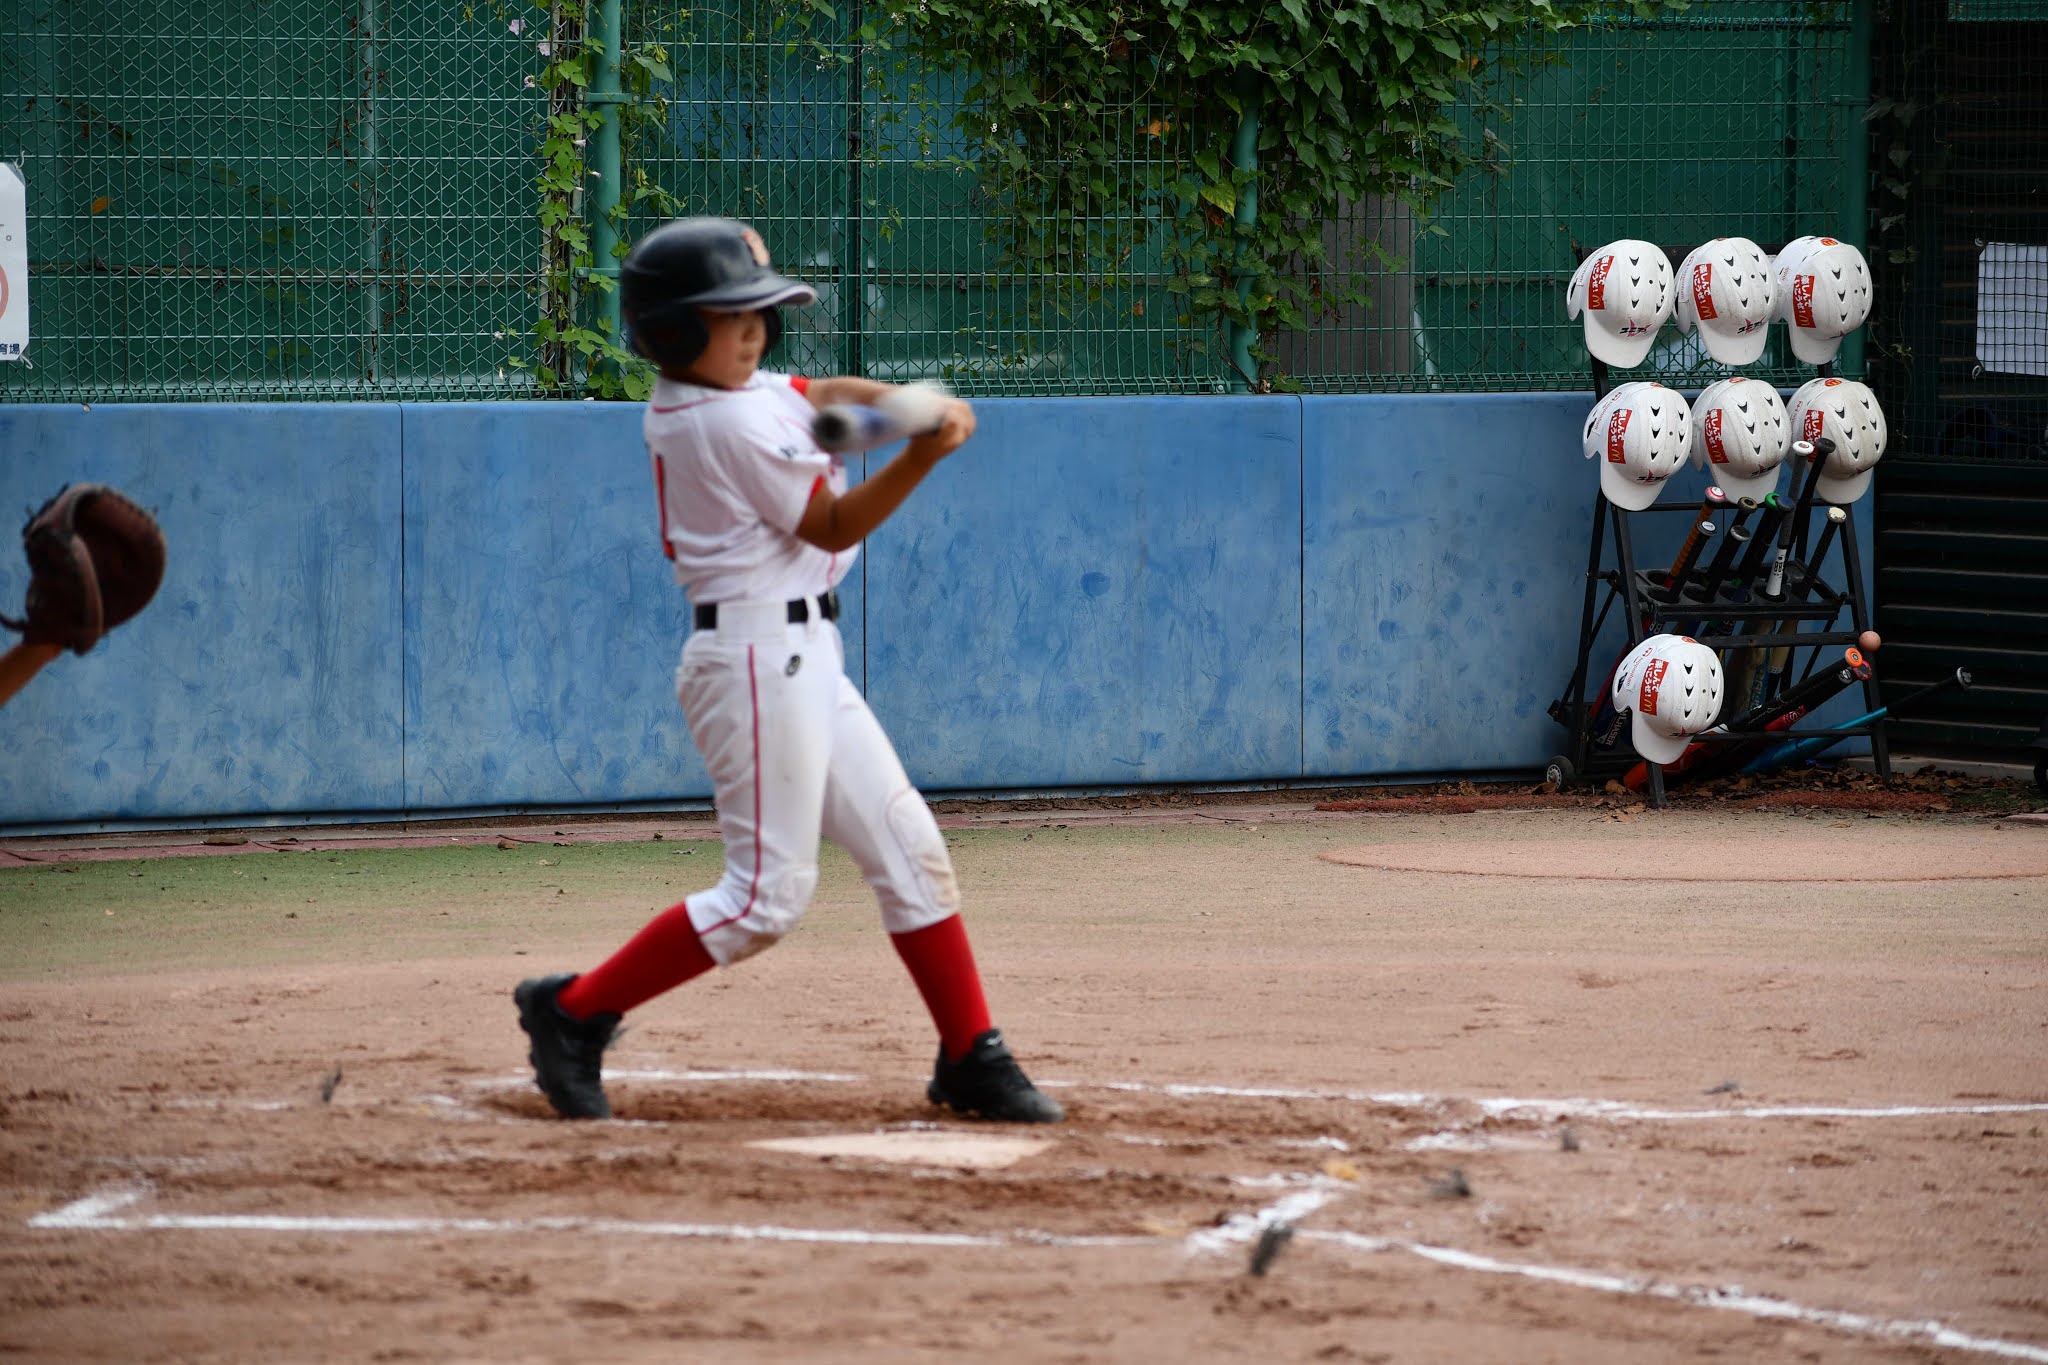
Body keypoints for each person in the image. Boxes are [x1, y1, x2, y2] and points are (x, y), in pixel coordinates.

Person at [514, 216, 1063, 1125]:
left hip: (803, 655)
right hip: (756, 659)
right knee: (766, 899)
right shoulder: (715, 416)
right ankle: (571, 1012)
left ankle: (971, 1051)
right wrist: (921, 448)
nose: (755, 332)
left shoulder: (748, 389)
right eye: (732, 318)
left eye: (760, 316)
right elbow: (832, 526)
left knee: (907, 846)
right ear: (672, 333)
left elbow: (818, 394)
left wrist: (898, 403)